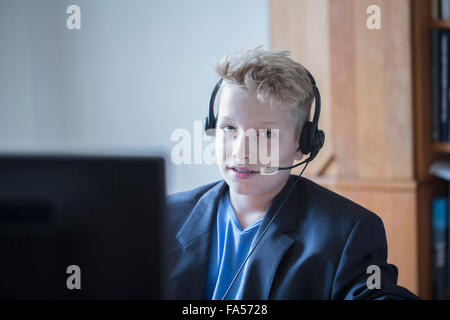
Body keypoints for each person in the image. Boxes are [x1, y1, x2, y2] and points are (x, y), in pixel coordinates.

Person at [164, 47, 419, 300]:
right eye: (229, 128)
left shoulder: (347, 232)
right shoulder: (164, 216)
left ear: (303, 144)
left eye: (266, 135)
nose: (241, 151)